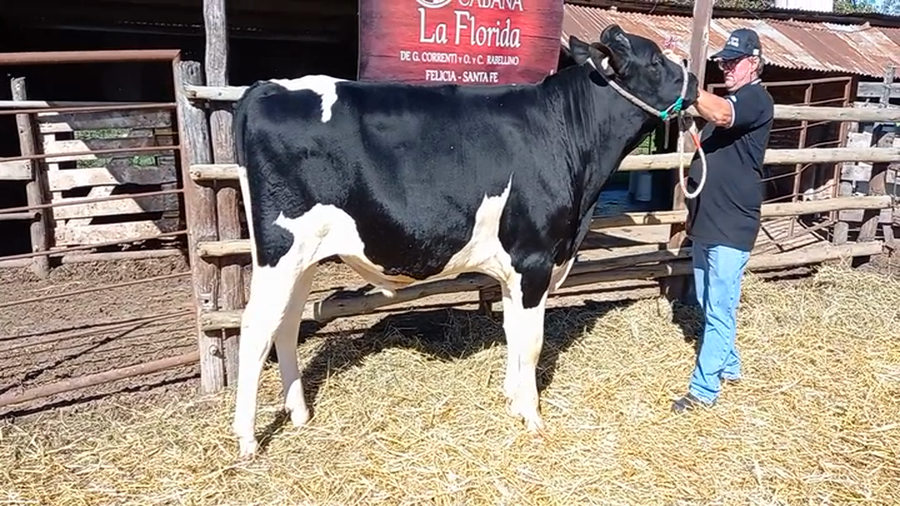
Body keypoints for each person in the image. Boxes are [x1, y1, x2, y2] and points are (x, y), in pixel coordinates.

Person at [672, 28, 775, 413]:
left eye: (734, 61)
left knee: (719, 307)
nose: (727, 67)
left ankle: (703, 391)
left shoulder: (755, 100)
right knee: (707, 300)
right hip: (708, 221)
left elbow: (719, 112)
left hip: (732, 222)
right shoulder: (732, 99)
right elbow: (707, 116)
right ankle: (730, 365)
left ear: (754, 62)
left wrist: (684, 83)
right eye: (724, 61)